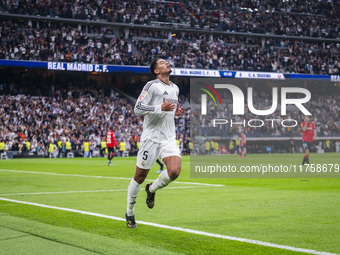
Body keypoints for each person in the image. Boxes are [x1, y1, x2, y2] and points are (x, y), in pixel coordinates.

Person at [125, 58, 183, 228]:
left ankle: (151, 189)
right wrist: (160, 108)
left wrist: (176, 113)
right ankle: (130, 212)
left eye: (167, 62)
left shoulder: (175, 88)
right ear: (156, 71)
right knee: (139, 176)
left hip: (168, 137)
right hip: (151, 138)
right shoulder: (151, 86)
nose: (167, 63)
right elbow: (137, 108)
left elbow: (170, 110)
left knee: (174, 171)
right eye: (163, 62)